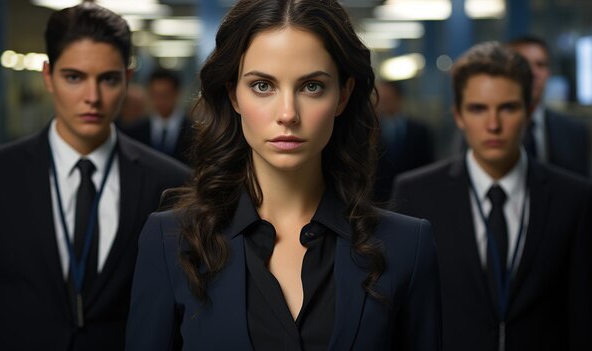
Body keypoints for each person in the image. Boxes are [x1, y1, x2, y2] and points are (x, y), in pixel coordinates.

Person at [126, 0, 441, 350]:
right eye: (263, 86)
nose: (288, 114)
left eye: (312, 87)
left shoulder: (406, 246)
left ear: (343, 95)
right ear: (233, 94)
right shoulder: (171, 241)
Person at [0, 3, 190, 351]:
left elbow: (181, 316)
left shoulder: (171, 183)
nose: (92, 97)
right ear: (48, 77)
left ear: (127, 80)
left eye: (108, 79)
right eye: (74, 77)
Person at [392, 42, 592, 351]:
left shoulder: (573, 198)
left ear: (529, 112)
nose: (493, 124)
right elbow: (404, 313)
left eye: (508, 108)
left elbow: (582, 314)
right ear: (458, 115)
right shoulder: (416, 193)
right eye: (478, 108)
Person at [509, 35, 591, 177]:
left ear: (549, 73)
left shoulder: (575, 132)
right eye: (524, 64)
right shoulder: (486, 126)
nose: (533, 72)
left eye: (540, 65)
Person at [373, 80, 434, 203]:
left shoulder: (419, 130)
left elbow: (428, 165)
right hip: (379, 199)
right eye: (381, 99)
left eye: (387, 98)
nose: (383, 103)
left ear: (398, 98)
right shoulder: (369, 132)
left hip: (413, 196)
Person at [122, 69, 194, 165]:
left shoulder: (194, 132)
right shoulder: (134, 131)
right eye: (156, 95)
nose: (160, 101)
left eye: (166, 95)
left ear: (177, 94)